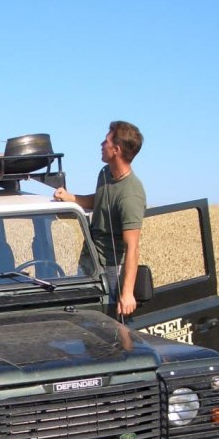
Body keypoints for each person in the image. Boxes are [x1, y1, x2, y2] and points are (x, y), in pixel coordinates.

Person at [53, 121, 146, 317]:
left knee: (108, 322)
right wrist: (71, 199)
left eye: (106, 142)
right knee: (82, 317)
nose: (101, 145)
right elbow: (101, 200)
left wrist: (127, 293)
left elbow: (133, 248)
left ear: (116, 150)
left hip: (110, 268)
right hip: (89, 260)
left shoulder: (131, 195)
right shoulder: (105, 174)